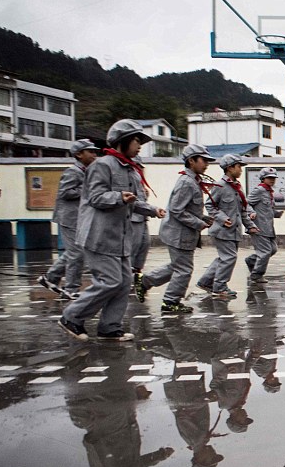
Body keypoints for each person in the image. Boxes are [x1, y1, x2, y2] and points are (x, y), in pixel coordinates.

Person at [59, 119, 160, 341]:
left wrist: (152, 210)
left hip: (120, 237)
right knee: (111, 281)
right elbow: (95, 197)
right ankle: (72, 316)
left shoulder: (131, 170)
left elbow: (132, 201)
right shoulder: (102, 165)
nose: (139, 145)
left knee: (124, 282)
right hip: (99, 235)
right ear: (122, 141)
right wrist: (118, 197)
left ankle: (109, 328)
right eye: (136, 140)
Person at [137, 144, 216, 313]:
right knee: (184, 269)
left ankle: (145, 282)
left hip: (183, 234)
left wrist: (203, 218)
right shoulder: (187, 182)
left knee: (178, 266)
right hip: (178, 235)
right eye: (203, 160)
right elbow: (176, 210)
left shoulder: (193, 181)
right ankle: (170, 302)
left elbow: (187, 209)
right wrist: (198, 223)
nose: (206, 164)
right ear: (191, 161)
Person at [39, 139, 102, 299]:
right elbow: (65, 192)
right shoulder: (73, 172)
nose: (95, 154)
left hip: (80, 219)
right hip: (69, 218)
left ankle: (50, 277)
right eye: (91, 152)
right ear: (79, 154)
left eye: (95, 151)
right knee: (77, 254)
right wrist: (87, 189)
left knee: (74, 252)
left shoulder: (87, 171)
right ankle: (71, 289)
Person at [196, 154, 259, 299]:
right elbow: (210, 205)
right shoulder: (220, 186)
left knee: (224, 258)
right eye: (238, 167)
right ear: (230, 168)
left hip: (234, 231)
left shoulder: (237, 187)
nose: (241, 170)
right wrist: (222, 218)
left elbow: (242, 210)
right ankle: (219, 287)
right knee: (228, 258)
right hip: (222, 230)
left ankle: (206, 282)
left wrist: (250, 226)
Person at [128, 155, 163, 293]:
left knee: (144, 245)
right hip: (133, 219)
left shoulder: (139, 179)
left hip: (142, 218)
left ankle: (137, 278)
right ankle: (128, 280)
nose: (140, 169)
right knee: (133, 248)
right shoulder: (129, 178)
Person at [245, 167, 283, 284]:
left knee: (273, 249)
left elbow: (266, 209)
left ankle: (252, 261)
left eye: (273, 178)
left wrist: (276, 213)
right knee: (266, 251)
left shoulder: (268, 192)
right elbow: (246, 203)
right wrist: (251, 212)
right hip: (258, 227)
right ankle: (256, 275)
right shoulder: (259, 190)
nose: (272, 180)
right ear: (263, 178)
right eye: (269, 178)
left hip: (268, 227)